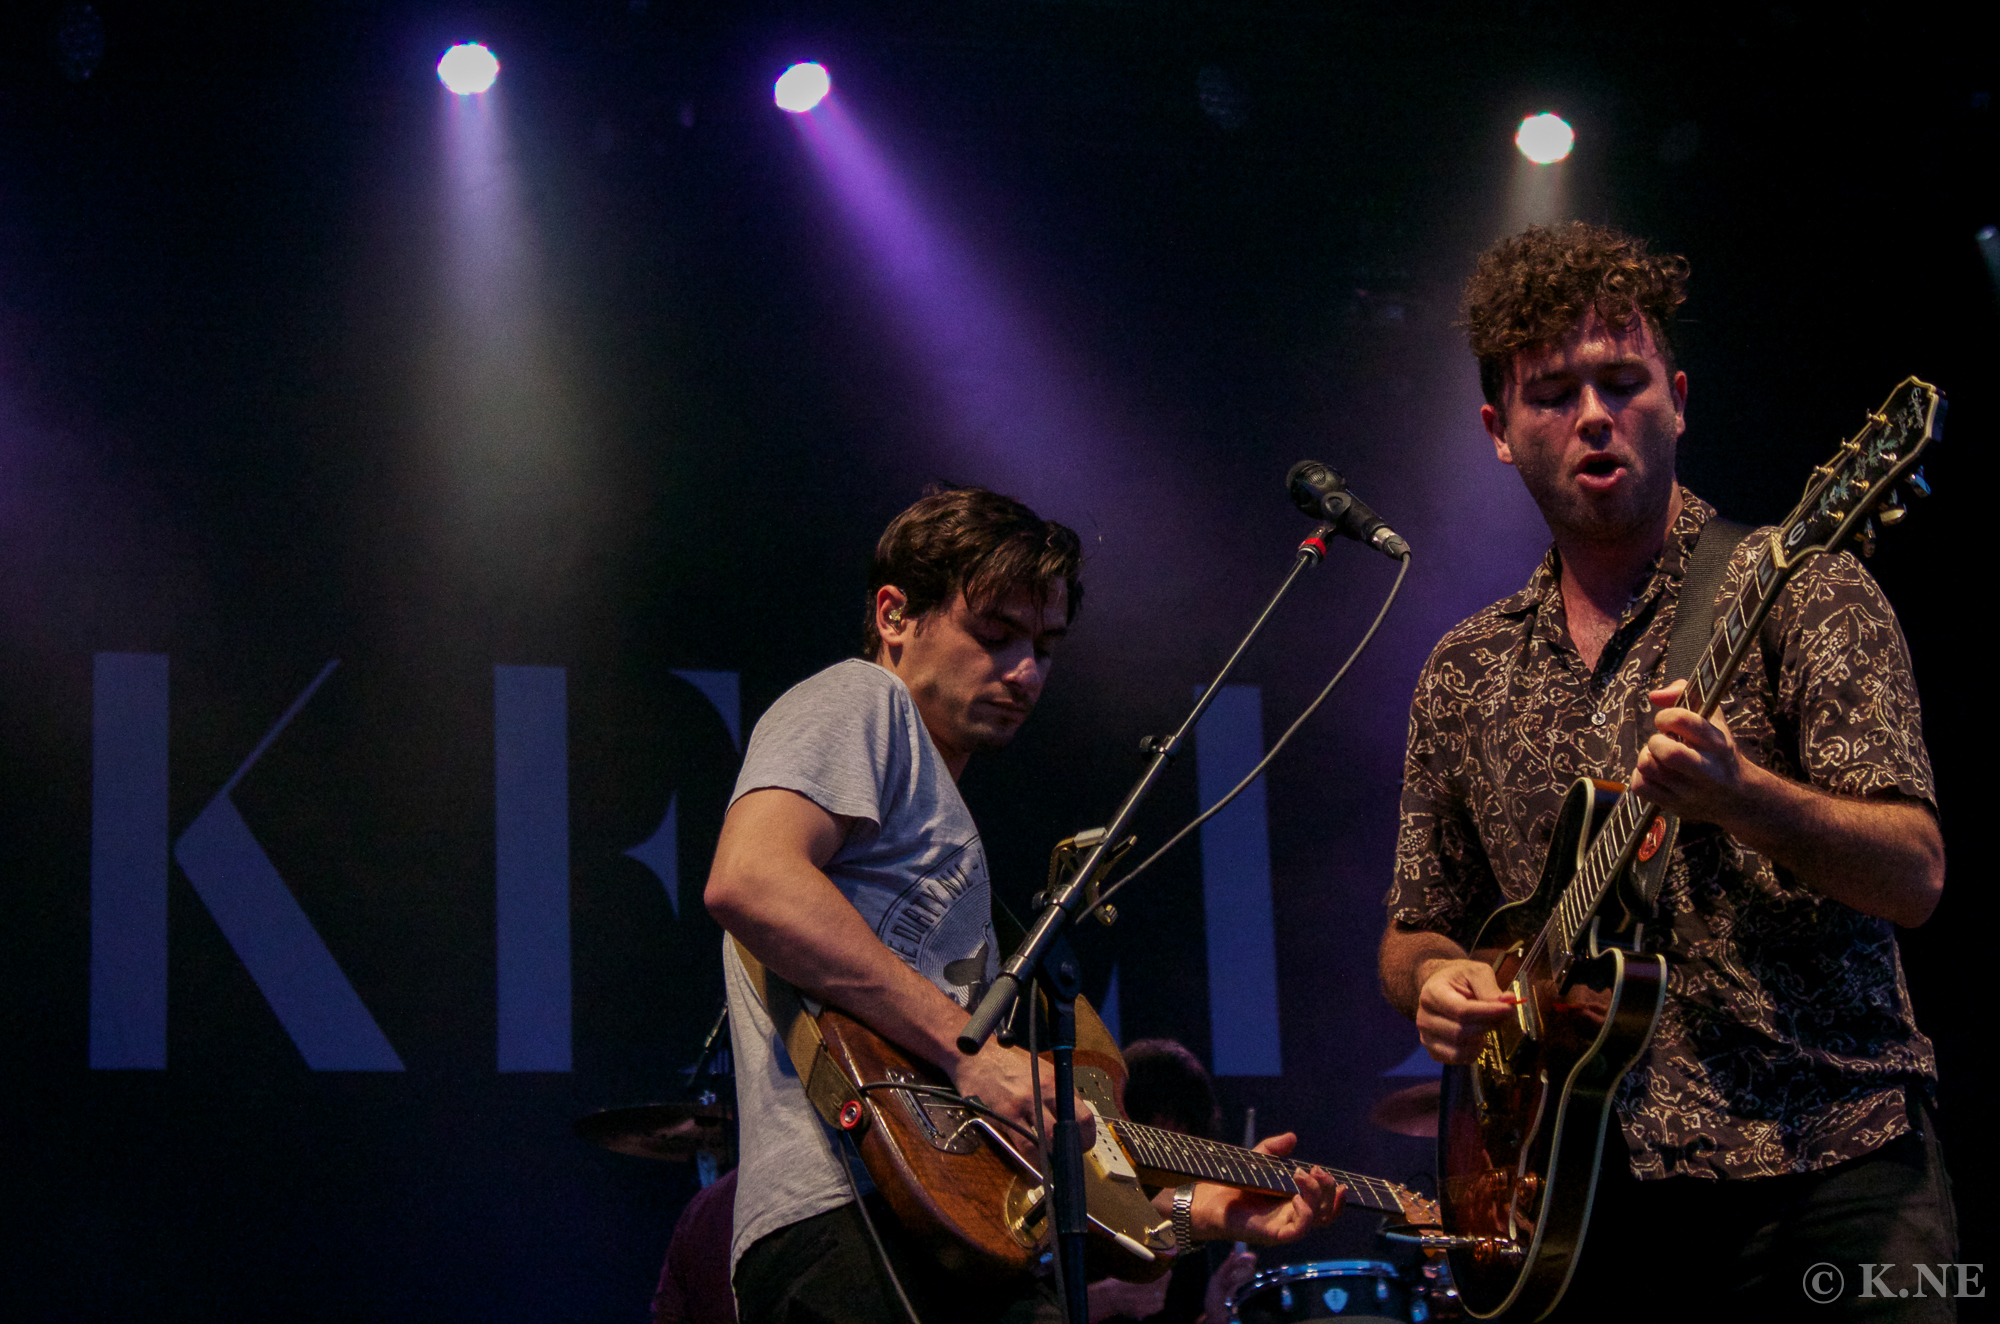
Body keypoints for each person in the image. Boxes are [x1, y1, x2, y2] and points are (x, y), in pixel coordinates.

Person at [1377, 223, 1956, 1321]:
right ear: (1499, 432)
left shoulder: (1803, 587)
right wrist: (1437, 983)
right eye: (1554, 395)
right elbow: (1413, 930)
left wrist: (1747, 799)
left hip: (1835, 1169)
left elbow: (1914, 875)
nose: (1593, 415)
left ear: (1677, 401)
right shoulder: (1464, 672)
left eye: (1623, 382)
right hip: (1593, 1203)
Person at [707, 486, 1343, 1324]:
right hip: (850, 1222)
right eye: (994, 635)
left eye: (1044, 647)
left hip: (956, 1229)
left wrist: (1204, 1212)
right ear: (895, 615)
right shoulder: (861, 700)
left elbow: (1028, 1161)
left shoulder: (946, 828)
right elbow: (750, 879)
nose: (1026, 672)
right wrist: (968, 1053)